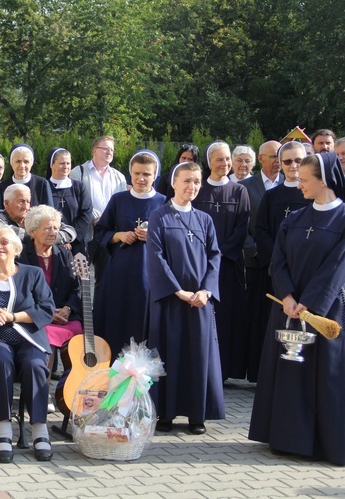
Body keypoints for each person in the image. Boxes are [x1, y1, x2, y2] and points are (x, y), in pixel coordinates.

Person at [248, 152, 345, 466]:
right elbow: (278, 261)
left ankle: (325, 443)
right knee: (290, 372)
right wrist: (286, 296)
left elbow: (338, 267)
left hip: (328, 311)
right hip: (289, 308)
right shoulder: (294, 219)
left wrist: (309, 304)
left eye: (304, 180)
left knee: (326, 375)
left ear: (324, 180)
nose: (298, 184)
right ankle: (288, 439)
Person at [0, 225, 56, 463]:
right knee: (0, 362)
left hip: (29, 337)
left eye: (4, 242)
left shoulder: (32, 273)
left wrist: (13, 317)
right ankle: (3, 430)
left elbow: (46, 309)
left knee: (36, 365)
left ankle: (39, 430)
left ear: (16, 248)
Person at [147, 161, 223, 435]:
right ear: (175, 183)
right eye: (187, 181)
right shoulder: (160, 217)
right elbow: (156, 257)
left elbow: (215, 256)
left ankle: (196, 414)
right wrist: (177, 290)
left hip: (200, 301)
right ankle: (165, 414)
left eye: (196, 182)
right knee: (169, 354)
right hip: (171, 299)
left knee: (197, 355)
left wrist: (206, 291)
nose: (192, 186)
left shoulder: (205, 220)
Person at [250, 141, 312, 381]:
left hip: (302, 272)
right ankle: (267, 373)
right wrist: (278, 258)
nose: (293, 166)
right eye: (287, 161)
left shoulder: (311, 195)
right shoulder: (271, 196)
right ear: (280, 163)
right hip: (274, 271)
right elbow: (261, 229)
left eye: (298, 160)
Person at [93, 150, 166, 351]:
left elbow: (171, 240)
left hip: (148, 273)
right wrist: (119, 236)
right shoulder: (119, 200)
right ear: (130, 173)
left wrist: (152, 236)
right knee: (117, 316)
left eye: (146, 174)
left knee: (142, 319)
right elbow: (100, 231)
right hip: (119, 271)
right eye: (136, 174)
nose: (141, 179)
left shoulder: (163, 203)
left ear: (155, 175)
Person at [193, 141, 250, 381]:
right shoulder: (199, 189)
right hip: (200, 267)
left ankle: (223, 371)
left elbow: (242, 228)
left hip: (227, 266)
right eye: (220, 159)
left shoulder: (239, 192)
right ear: (209, 163)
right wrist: (203, 254)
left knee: (226, 319)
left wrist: (221, 253)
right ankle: (200, 367)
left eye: (228, 159)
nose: (225, 164)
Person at [17, 205, 83, 410]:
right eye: (47, 228)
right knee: (47, 337)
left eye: (56, 228)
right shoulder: (21, 255)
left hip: (65, 316)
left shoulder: (63, 254)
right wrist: (46, 313)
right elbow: (20, 292)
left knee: (84, 338)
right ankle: (42, 394)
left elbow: (77, 288)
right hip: (36, 317)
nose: (54, 232)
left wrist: (68, 309)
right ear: (33, 231)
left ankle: (77, 393)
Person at [240, 139, 283, 381]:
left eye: (281, 156)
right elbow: (242, 226)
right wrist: (259, 251)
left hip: (285, 266)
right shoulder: (247, 187)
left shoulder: (293, 186)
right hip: (257, 263)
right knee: (257, 321)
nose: (277, 161)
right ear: (261, 159)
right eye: (273, 156)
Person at [70, 136, 127, 288]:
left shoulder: (119, 177)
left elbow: (121, 205)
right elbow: (76, 203)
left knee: (105, 279)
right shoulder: (78, 173)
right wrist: (95, 216)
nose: (109, 152)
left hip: (108, 235)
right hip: (86, 233)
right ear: (95, 150)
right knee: (79, 279)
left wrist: (107, 219)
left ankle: (101, 310)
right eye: (105, 148)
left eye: (112, 150)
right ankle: (80, 310)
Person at [46, 147, 93, 256]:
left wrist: (69, 238)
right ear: (52, 165)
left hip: (75, 243)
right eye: (62, 163)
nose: (66, 167)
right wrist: (58, 239)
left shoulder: (79, 187)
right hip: (50, 243)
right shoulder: (44, 187)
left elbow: (86, 213)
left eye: (68, 163)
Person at [0, 143, 53, 210]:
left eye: (26, 161)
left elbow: (49, 213)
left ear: (31, 163)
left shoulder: (42, 184)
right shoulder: (1, 187)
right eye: (18, 161)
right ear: (11, 163)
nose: (22, 165)